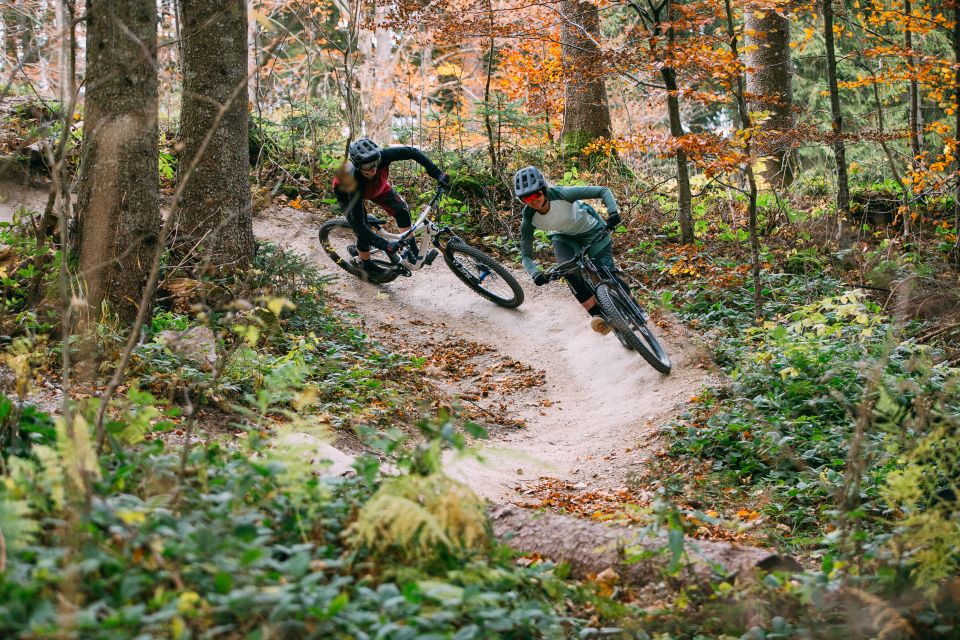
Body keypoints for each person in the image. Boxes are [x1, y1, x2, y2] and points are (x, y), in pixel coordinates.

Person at [514, 166, 624, 335]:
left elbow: (603, 190)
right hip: (564, 237)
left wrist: (613, 212)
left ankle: (635, 308)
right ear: (522, 200)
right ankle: (598, 317)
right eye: (527, 198)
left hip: (591, 230)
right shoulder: (528, 218)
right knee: (568, 271)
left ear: (544, 190)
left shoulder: (562, 194)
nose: (533, 200)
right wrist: (534, 273)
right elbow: (526, 256)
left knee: (607, 272)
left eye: (536, 194)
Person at [332, 138, 450, 281]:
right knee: (363, 231)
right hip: (347, 193)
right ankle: (366, 264)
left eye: (375, 161)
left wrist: (438, 173)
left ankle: (413, 251)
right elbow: (359, 226)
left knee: (402, 211)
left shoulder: (382, 156)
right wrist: (386, 245)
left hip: (377, 186)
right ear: (358, 166)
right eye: (368, 165)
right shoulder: (354, 181)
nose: (374, 167)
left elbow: (412, 152)